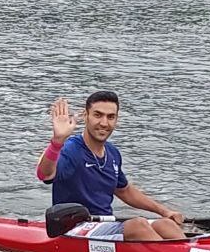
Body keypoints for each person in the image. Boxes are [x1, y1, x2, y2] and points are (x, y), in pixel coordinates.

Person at [36, 92, 185, 241]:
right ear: (85, 115)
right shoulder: (71, 149)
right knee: (138, 225)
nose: (104, 123)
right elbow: (44, 174)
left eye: (110, 117)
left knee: (166, 224)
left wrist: (164, 212)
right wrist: (57, 142)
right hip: (73, 227)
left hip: (105, 224)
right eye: (98, 115)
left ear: (116, 120)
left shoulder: (112, 153)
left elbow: (125, 191)